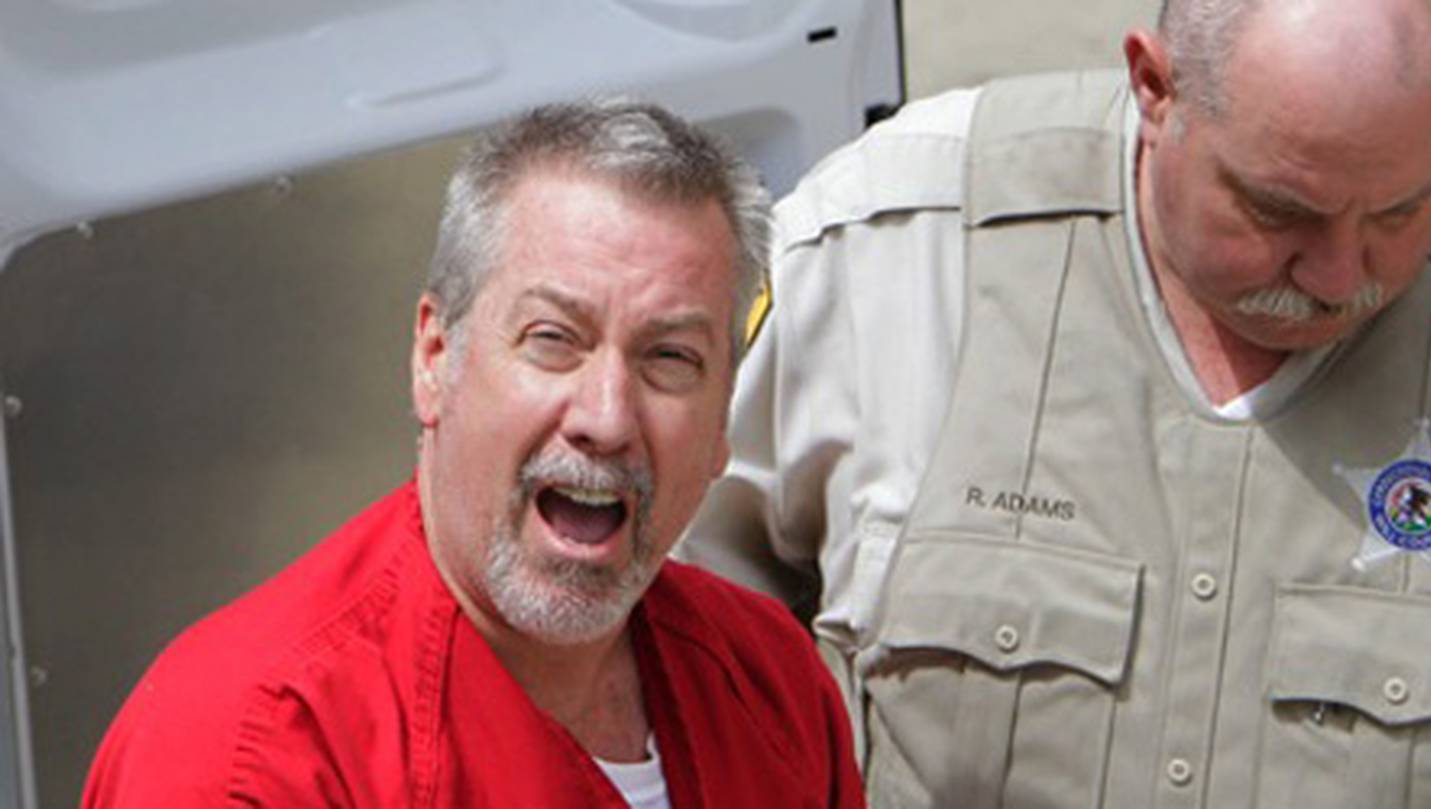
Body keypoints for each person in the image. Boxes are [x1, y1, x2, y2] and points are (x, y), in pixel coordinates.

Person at [679, 0, 1431, 805]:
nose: (1337, 274)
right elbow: (664, 639)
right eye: (1282, 210)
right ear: (1155, 88)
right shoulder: (904, 238)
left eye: (1400, 212)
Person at [82, 100, 864, 808]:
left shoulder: (771, 684)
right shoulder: (249, 755)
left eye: (669, 358)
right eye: (554, 340)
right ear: (434, 356)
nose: (606, 416)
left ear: (725, 416)